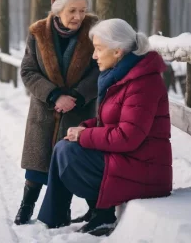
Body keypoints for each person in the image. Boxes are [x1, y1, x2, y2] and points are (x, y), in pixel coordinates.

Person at [37, 18, 173, 236]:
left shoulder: (143, 82)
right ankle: (59, 216)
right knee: (65, 143)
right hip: (132, 160)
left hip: (146, 170)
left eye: (98, 49)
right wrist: (83, 128)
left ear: (117, 51)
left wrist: (85, 135)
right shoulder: (122, 76)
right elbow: (113, 122)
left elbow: (128, 136)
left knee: (69, 152)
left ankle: (103, 216)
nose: (94, 56)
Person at [14, 0, 100, 225]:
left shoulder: (94, 32)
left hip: (79, 109)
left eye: (82, 11)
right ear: (58, 10)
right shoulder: (38, 32)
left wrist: (78, 96)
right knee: (37, 163)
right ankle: (27, 205)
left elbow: (99, 70)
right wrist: (53, 95)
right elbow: (28, 71)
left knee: (73, 161)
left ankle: (89, 210)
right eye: (72, 11)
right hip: (44, 108)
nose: (78, 16)